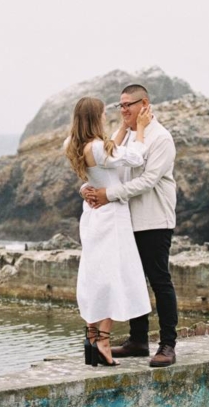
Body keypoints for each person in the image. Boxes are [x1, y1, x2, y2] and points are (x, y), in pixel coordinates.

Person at [81, 83, 179, 367]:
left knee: (159, 280)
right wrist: (87, 190)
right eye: (119, 105)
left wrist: (107, 195)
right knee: (131, 279)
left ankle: (168, 345)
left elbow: (148, 180)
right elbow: (105, 172)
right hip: (124, 222)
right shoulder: (122, 138)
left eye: (128, 105)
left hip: (153, 219)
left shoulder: (161, 138)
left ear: (144, 104)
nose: (123, 110)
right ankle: (138, 340)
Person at [64, 96, 153, 366]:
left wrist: (124, 130)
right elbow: (135, 157)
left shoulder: (71, 144)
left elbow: (97, 167)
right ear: (94, 117)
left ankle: (91, 337)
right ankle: (103, 339)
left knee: (94, 276)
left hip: (91, 216)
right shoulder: (100, 148)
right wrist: (140, 128)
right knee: (114, 276)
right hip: (112, 216)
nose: (106, 117)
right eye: (102, 114)